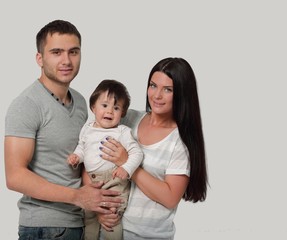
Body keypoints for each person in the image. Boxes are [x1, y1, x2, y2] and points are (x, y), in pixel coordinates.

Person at [4, 20, 122, 240]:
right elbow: (15, 176)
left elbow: (84, 158)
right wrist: (78, 197)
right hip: (44, 228)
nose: (66, 60)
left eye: (73, 52)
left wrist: (98, 205)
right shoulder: (26, 104)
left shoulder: (79, 101)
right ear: (40, 58)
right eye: (56, 52)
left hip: (79, 223)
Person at [97, 57, 208, 240]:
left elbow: (170, 197)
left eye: (168, 89)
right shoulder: (127, 119)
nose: (156, 95)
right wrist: (98, 209)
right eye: (153, 85)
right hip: (109, 230)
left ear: (182, 94)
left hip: (147, 235)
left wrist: (128, 163)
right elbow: (95, 160)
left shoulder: (179, 141)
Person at [67, 79, 143, 240]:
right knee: (89, 218)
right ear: (93, 107)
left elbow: (137, 153)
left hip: (114, 180)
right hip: (92, 182)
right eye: (105, 105)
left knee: (111, 219)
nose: (110, 111)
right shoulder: (87, 128)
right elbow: (82, 146)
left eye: (116, 108)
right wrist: (77, 156)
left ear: (122, 113)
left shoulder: (122, 132)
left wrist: (126, 168)